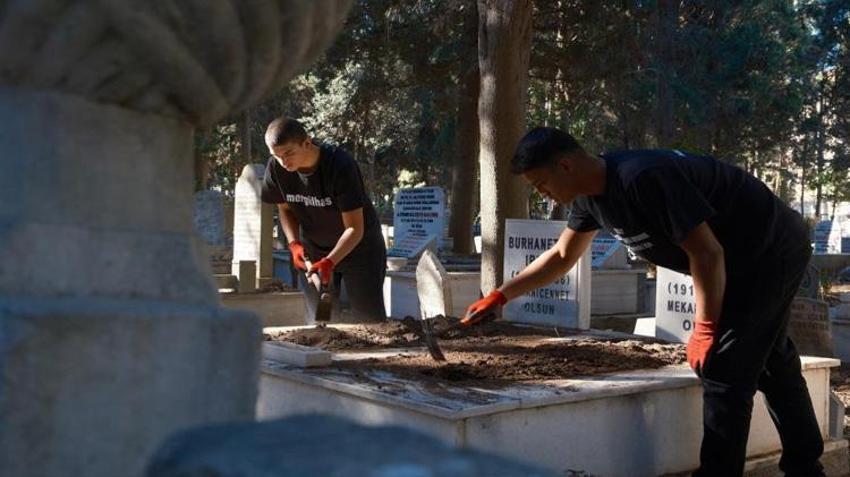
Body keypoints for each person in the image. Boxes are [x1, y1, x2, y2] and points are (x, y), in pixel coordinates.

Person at [463, 127, 823, 477]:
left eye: (541, 184)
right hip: (734, 261)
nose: (544, 194)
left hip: (769, 251)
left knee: (724, 367)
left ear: (566, 166)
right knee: (772, 359)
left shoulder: (644, 178)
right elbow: (561, 256)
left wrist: (706, 328)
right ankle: (806, 466)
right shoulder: (589, 198)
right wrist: (501, 295)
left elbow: (707, 253)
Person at [260, 117, 387, 323]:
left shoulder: (339, 166)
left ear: (307, 143)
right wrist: (294, 244)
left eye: (289, 153)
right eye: (277, 156)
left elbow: (354, 228)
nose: (284, 162)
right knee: (323, 318)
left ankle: (373, 354)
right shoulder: (276, 168)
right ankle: (326, 351)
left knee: (369, 319)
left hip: (360, 250)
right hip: (315, 251)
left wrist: (330, 261)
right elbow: (285, 208)